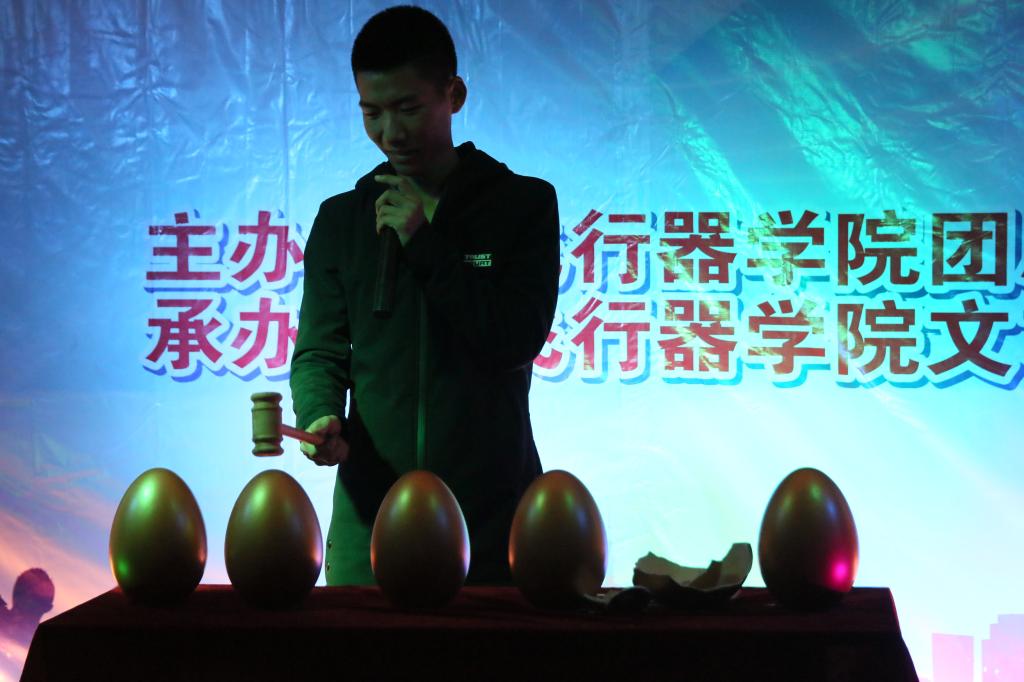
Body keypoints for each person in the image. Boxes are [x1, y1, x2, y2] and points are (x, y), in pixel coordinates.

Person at [289, 5, 560, 586]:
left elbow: (514, 339)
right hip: (370, 525)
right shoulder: (342, 221)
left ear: (453, 95)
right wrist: (319, 413)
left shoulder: (522, 205)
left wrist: (424, 242)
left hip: (493, 526)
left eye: (408, 109)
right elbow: (319, 350)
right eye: (372, 112)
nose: (391, 133)